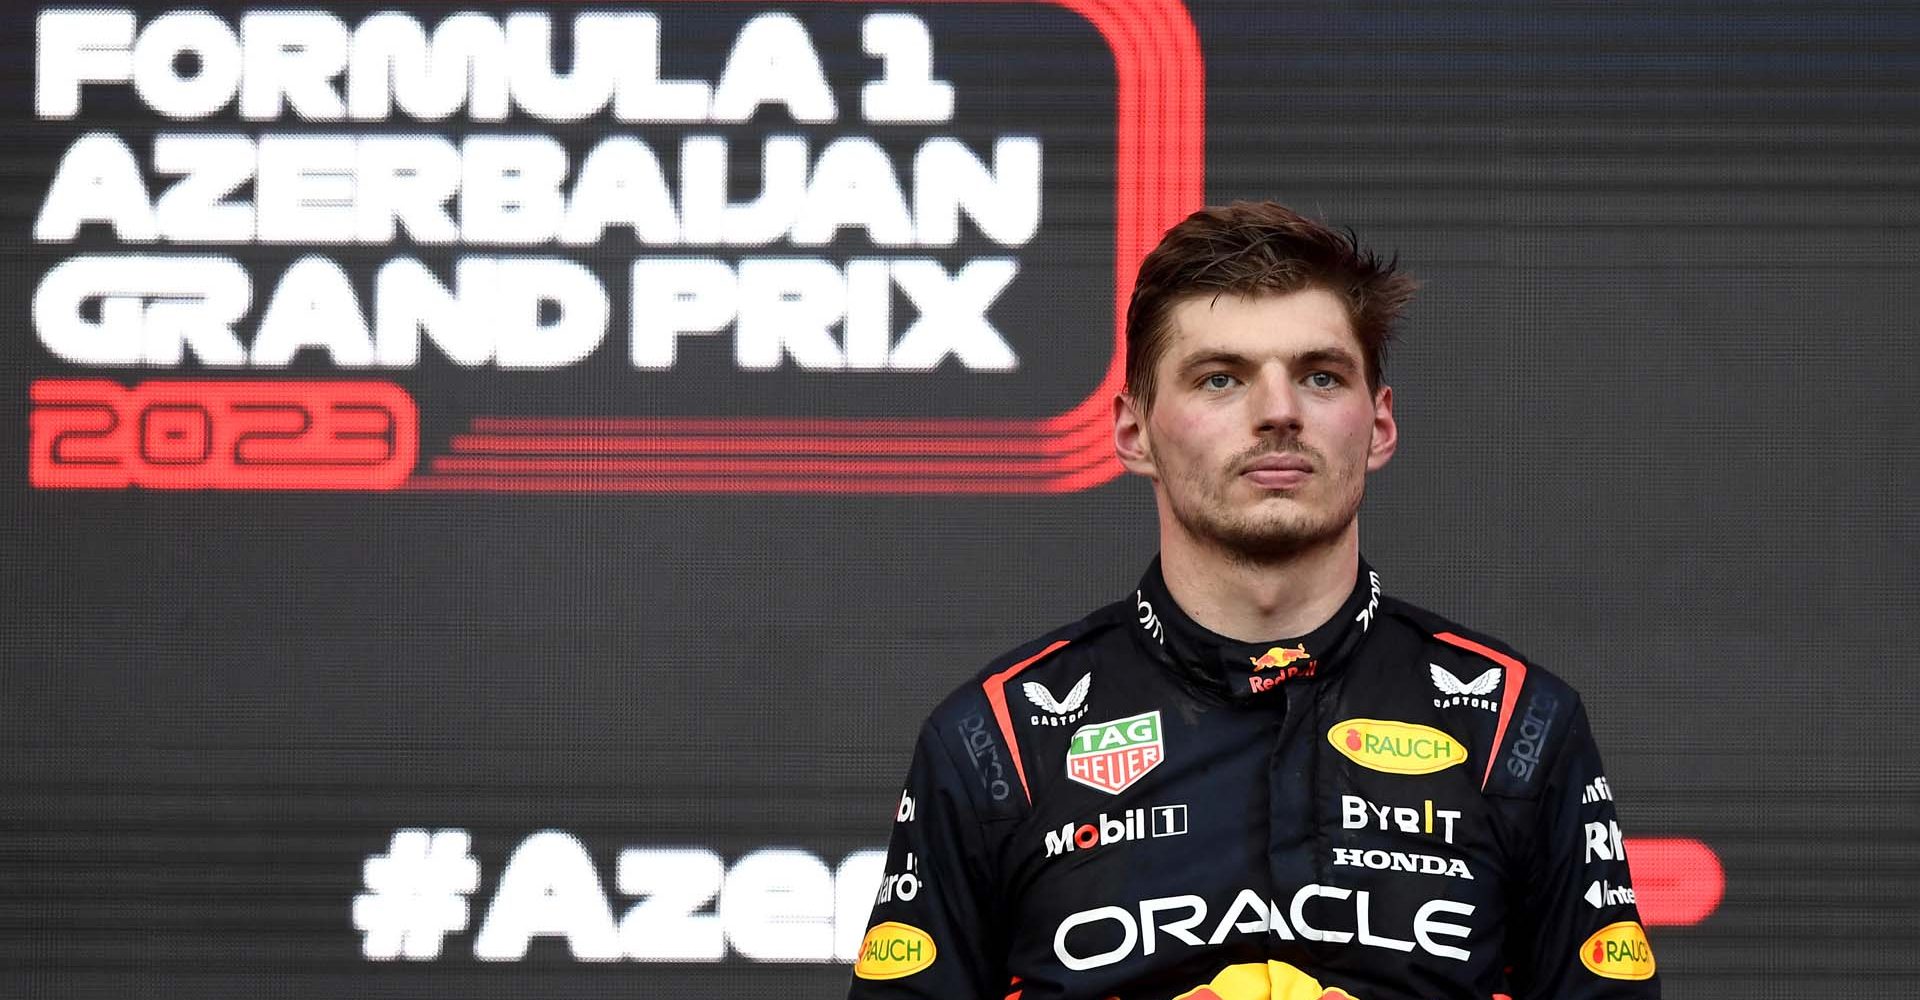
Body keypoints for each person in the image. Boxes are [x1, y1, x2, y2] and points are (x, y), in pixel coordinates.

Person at [847, 202, 1658, 999]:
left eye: (1320, 375)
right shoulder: (998, 740)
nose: (1278, 412)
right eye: (1221, 378)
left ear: (1378, 424)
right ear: (1135, 432)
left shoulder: (1517, 727)